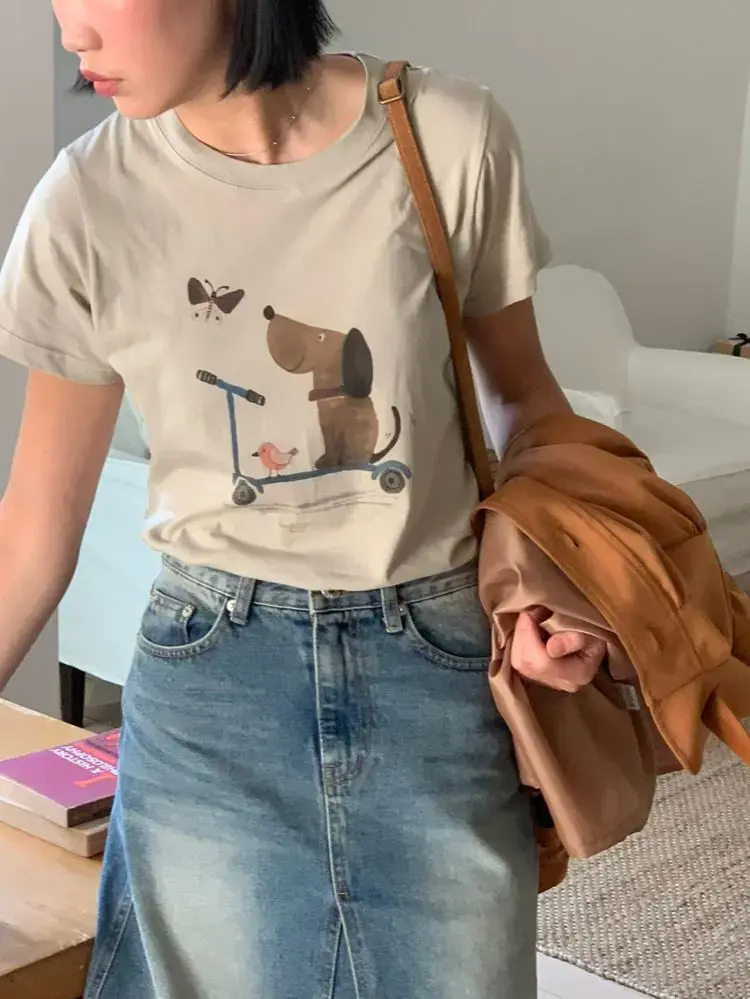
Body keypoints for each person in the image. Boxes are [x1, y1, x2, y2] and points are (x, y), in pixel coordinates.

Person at [0, 1, 605, 996]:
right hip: (212, 684)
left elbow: (527, 407)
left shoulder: (445, 136)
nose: (73, 32)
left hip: (437, 668)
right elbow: (31, 531)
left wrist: (554, 592)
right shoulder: (86, 202)